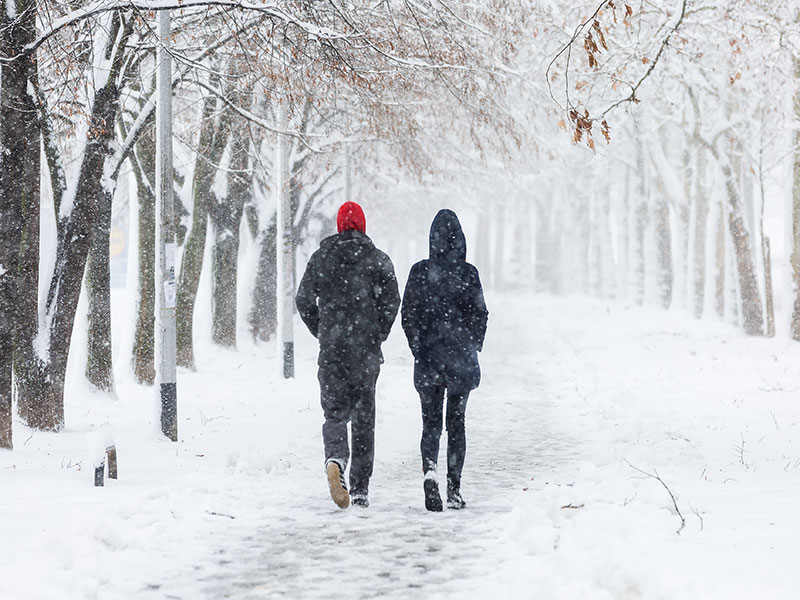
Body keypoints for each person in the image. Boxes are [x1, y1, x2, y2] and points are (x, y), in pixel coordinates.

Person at [296, 201, 400, 509]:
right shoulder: (378, 260)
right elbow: (392, 303)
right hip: (365, 352)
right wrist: (377, 332)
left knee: (335, 413)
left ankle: (335, 459)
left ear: (339, 226)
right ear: (363, 226)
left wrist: (322, 329)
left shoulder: (321, 258)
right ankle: (360, 488)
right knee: (364, 418)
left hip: (332, 350)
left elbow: (303, 299)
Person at [401, 209, 488, 511]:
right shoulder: (469, 273)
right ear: (461, 241)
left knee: (430, 424)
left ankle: (430, 471)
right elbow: (481, 314)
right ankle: (454, 488)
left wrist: (418, 346)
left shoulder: (420, 271)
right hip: (461, 360)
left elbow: (408, 314)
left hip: (429, 359)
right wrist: (473, 344)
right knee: (457, 424)